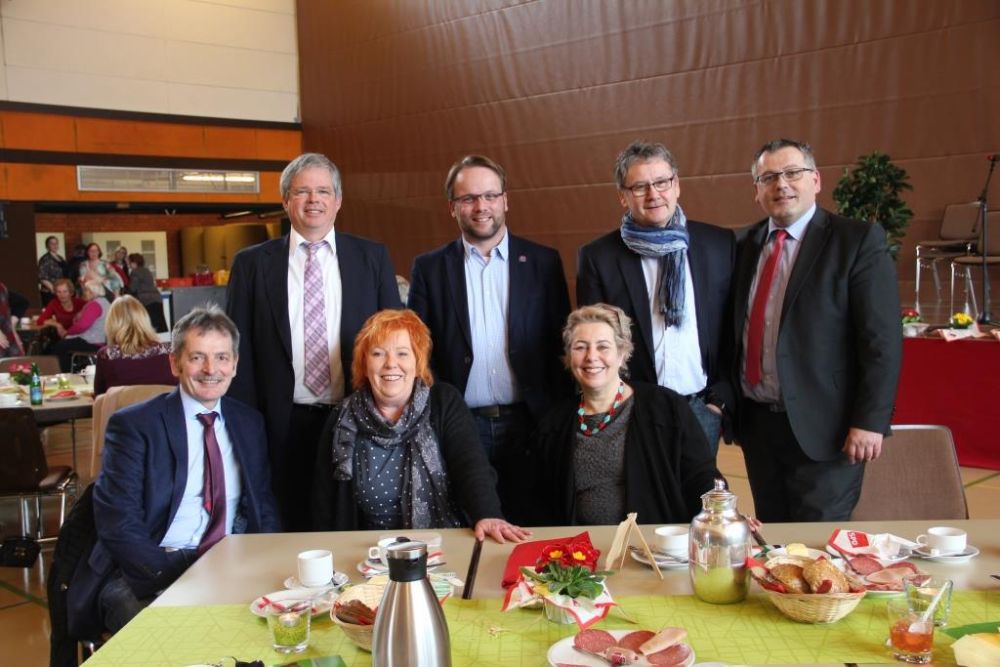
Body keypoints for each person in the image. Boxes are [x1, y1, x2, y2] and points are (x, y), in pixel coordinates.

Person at [68, 305, 280, 634]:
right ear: (174, 363)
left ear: (235, 364)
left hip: (229, 562)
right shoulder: (134, 425)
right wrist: (173, 580)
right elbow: (118, 521)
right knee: (173, 637)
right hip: (149, 566)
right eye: (197, 357)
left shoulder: (248, 423)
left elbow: (262, 507)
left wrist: (270, 566)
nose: (211, 369)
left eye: (222, 357)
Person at [226, 152, 401, 530]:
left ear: (338, 200)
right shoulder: (251, 265)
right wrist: (243, 427)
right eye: (302, 191)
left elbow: (395, 341)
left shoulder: (371, 257)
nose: (313, 200)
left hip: (358, 418)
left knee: (352, 525)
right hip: (280, 424)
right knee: (287, 525)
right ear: (285, 200)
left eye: (323, 191)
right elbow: (238, 354)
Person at [732, 139, 902, 522]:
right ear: (756, 190)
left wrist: (870, 421)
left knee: (818, 543)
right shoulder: (742, 245)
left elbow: (881, 341)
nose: (782, 184)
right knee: (773, 540)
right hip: (759, 427)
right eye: (769, 177)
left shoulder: (856, 241)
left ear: (816, 180)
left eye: (793, 173)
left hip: (829, 428)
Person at [408, 155, 571, 524]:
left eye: (490, 196)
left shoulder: (543, 263)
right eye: (468, 198)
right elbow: (418, 352)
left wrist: (554, 416)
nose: (481, 206)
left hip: (531, 423)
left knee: (533, 523)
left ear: (505, 200)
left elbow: (560, 344)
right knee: (471, 524)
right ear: (452, 207)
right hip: (460, 425)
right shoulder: (430, 268)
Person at [313, 309, 529, 543]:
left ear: (418, 363)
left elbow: (471, 465)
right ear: (364, 365)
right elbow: (324, 503)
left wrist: (487, 514)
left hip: (444, 543)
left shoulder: (443, 401)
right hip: (369, 550)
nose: (391, 364)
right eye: (378, 353)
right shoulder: (342, 419)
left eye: (402, 353)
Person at [576, 141, 735, 455]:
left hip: (703, 407)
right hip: (634, 410)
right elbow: (594, 342)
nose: (654, 194)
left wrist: (720, 399)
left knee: (700, 488)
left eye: (662, 182)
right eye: (640, 187)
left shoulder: (719, 244)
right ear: (623, 196)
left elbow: (733, 326)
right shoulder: (598, 257)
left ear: (677, 185)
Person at [529, 304, 720, 526]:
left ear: (621, 354)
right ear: (569, 357)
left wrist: (722, 515)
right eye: (580, 347)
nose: (591, 356)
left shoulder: (667, 407)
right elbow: (537, 501)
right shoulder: (553, 425)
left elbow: (701, 476)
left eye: (603, 346)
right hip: (581, 544)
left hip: (653, 542)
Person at [93, 296, 175, 395]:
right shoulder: (169, 350)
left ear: (111, 324)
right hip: (164, 404)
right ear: (144, 320)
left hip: (123, 405)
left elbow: (99, 395)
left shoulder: (107, 355)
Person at [52, 278, 109, 371]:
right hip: (102, 340)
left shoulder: (94, 305)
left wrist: (68, 332)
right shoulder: (105, 302)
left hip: (93, 342)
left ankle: (65, 374)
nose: (84, 293)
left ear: (92, 292)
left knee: (60, 346)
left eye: (86, 290)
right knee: (64, 344)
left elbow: (82, 325)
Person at [125, 253, 167, 332]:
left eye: (130, 263)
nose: (129, 265)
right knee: (158, 326)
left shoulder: (135, 272)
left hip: (147, 301)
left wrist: (125, 291)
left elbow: (133, 288)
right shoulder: (146, 270)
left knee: (149, 327)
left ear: (134, 263)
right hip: (156, 299)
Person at [38, 235, 68, 306]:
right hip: (50, 292)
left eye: (56, 243)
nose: (55, 245)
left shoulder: (60, 258)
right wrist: (54, 290)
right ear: (47, 246)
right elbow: (42, 277)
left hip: (61, 291)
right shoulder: (45, 259)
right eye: (52, 243)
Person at [0, 281, 24, 358]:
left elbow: (22, 302)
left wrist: (12, 327)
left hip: (7, 333)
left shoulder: (2, 288)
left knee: (16, 362)